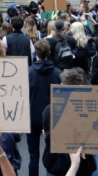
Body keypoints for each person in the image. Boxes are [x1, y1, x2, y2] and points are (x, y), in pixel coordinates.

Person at [27, 39, 61, 176]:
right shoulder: (58, 73)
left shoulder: (28, 73)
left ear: (35, 53)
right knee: (54, 154)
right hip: (53, 119)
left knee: (33, 155)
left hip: (32, 117)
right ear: (49, 52)